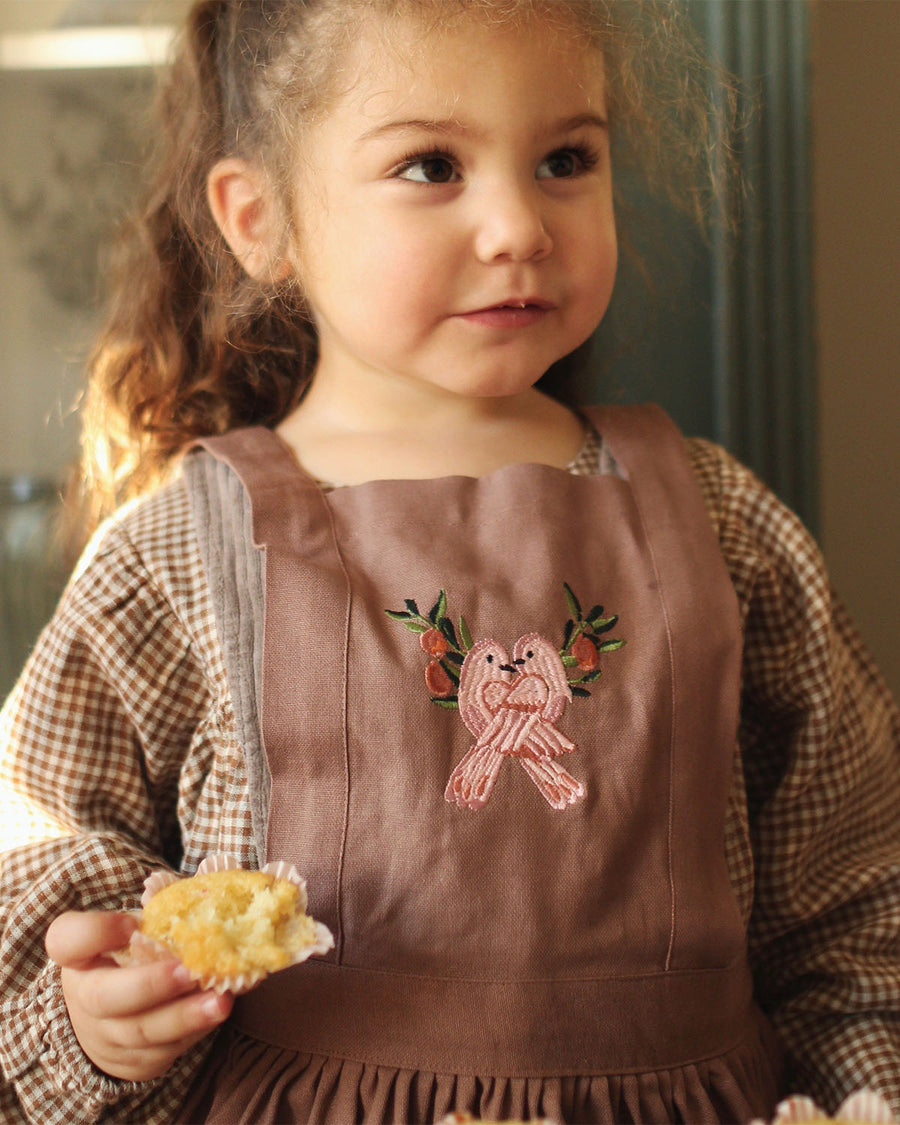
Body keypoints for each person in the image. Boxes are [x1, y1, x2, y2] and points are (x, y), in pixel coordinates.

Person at [1, 0, 898, 1122]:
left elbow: (860, 910)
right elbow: (35, 868)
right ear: (259, 217)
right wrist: (95, 1021)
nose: (519, 223)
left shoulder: (726, 525)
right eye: (431, 165)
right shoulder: (177, 558)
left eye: (566, 158)